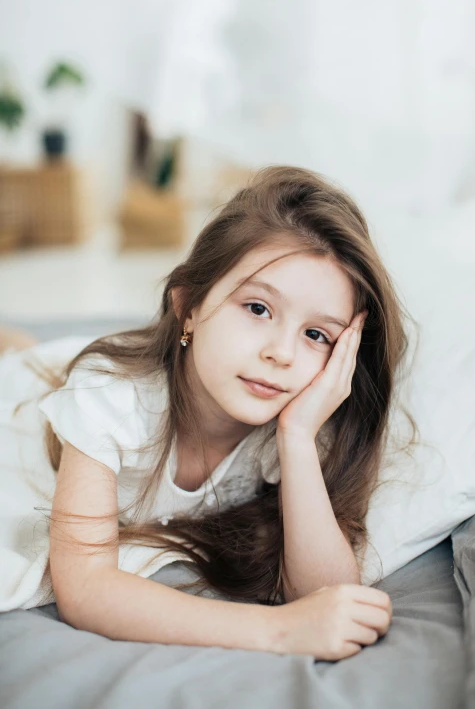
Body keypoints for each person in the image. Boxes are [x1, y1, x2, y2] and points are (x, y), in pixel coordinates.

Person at [0, 165, 413, 662]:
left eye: (316, 335)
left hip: (110, 369)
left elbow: (326, 595)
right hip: (30, 404)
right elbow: (85, 587)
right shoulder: (111, 398)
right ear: (188, 305)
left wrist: (298, 438)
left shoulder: (295, 418)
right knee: (24, 364)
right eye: (258, 308)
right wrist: (279, 629)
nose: (281, 353)